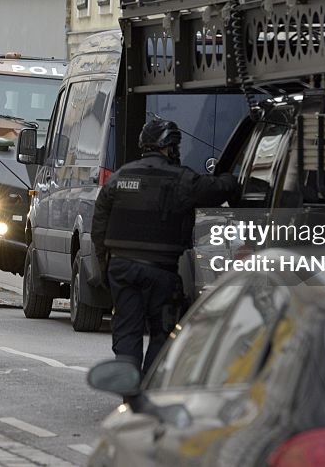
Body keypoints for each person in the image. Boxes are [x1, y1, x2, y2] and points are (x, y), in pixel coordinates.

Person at [91, 117, 240, 374]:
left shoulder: (119, 178)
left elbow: (99, 228)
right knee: (163, 334)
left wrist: (105, 268)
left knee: (127, 332)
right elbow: (219, 188)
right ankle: (148, 389)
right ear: (169, 146)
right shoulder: (181, 179)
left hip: (122, 268)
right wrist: (234, 178)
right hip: (161, 272)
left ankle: (128, 386)